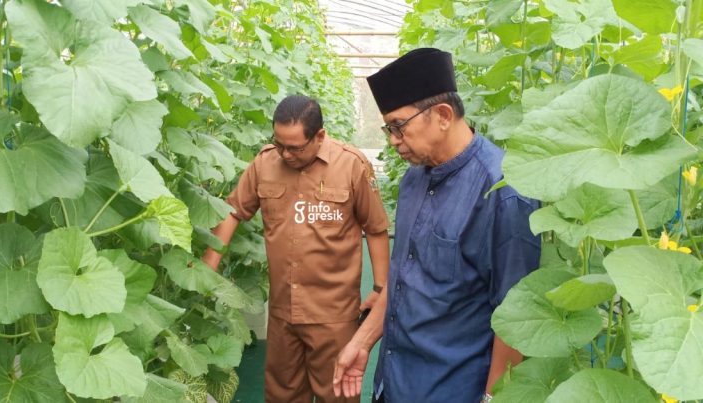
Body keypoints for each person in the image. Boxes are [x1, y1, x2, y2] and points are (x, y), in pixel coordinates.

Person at [332, 48, 541, 403]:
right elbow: (400, 280)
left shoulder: (504, 191)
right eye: (388, 129)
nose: (393, 140)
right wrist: (362, 342)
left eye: (398, 126)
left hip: (451, 390)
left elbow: (516, 316)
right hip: (393, 382)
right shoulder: (413, 180)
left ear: (443, 115)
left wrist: (493, 399)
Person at [202, 95, 390, 403]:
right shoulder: (264, 163)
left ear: (319, 136)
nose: (286, 154)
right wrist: (209, 263)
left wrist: (380, 287)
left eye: (295, 147)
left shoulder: (351, 165)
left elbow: (376, 228)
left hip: (334, 314)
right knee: (282, 394)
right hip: (282, 311)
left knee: (337, 394)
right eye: (279, 144)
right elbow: (233, 210)